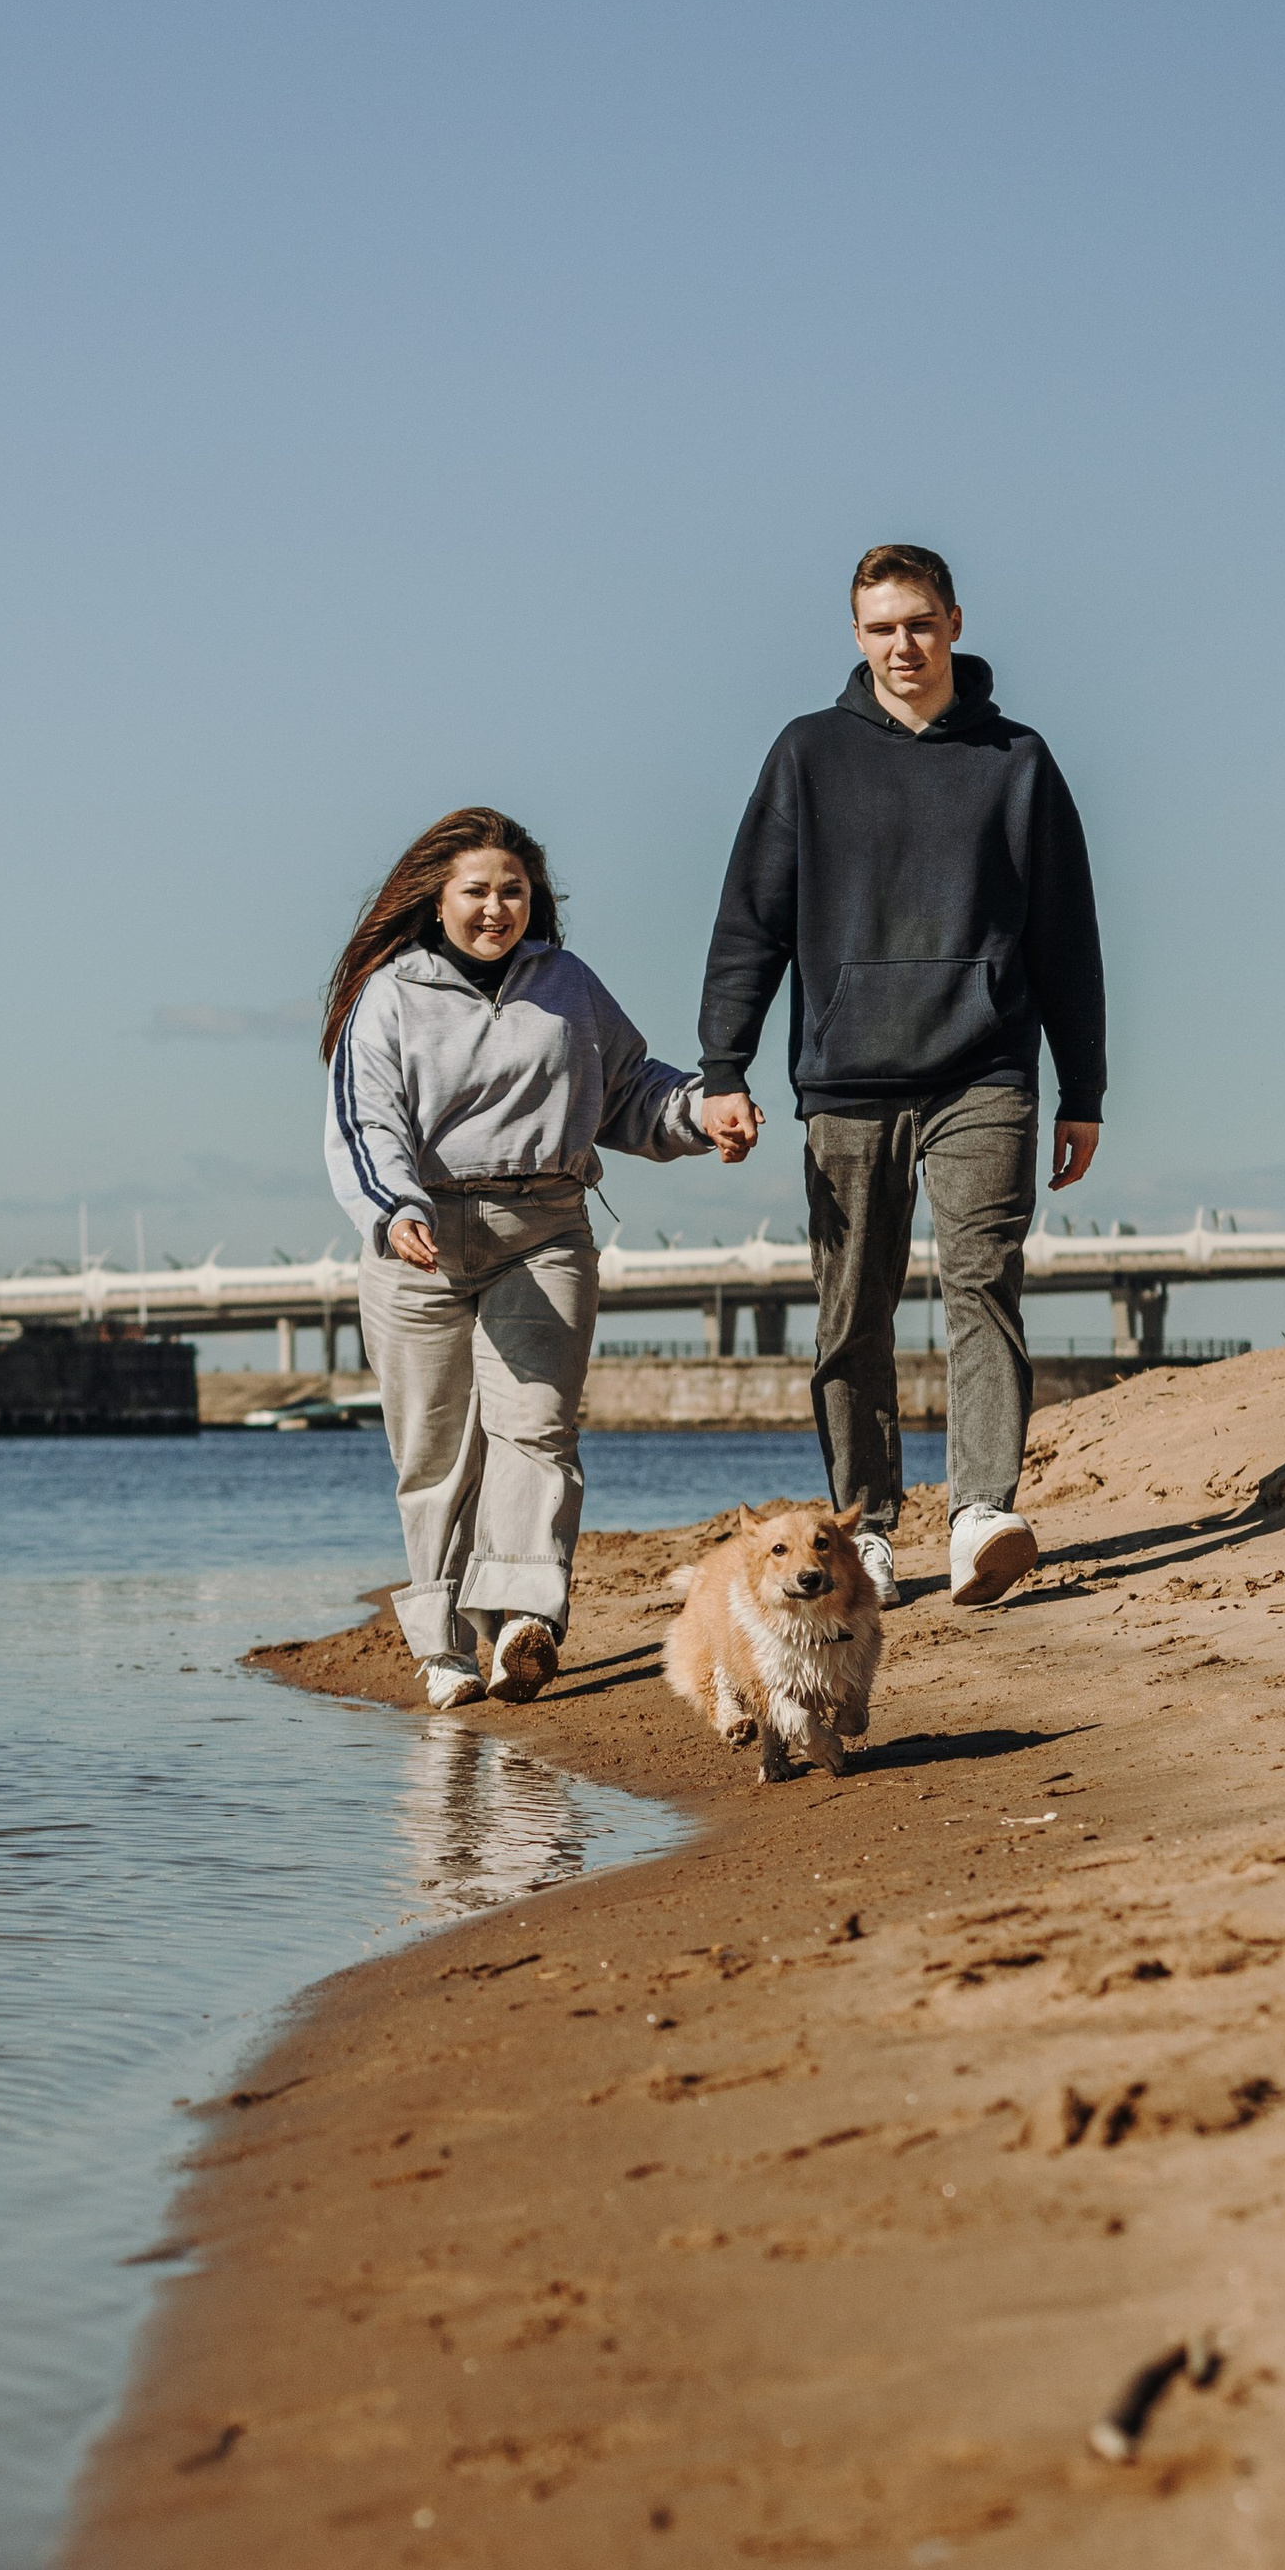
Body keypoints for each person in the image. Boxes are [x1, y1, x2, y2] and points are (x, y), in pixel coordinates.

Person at [696, 543, 1104, 1611]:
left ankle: (981, 1514)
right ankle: (866, 1528)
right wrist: (723, 1065)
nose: (903, 645)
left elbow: (1067, 937)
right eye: (881, 628)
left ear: (954, 623)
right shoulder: (808, 754)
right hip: (846, 1076)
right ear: (857, 635)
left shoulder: (1016, 760)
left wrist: (1085, 1088)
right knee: (852, 1311)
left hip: (986, 1068)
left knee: (983, 1285)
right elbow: (751, 920)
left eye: (919, 623)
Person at [324, 807, 734, 1710]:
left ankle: (521, 1622)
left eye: (513, 891)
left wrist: (703, 1113)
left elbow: (630, 1090)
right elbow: (365, 1123)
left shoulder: (567, 984)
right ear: (436, 901)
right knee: (436, 1456)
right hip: (419, 1242)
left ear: (533, 898)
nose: (496, 908)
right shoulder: (390, 997)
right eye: (476, 891)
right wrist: (394, 1209)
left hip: (543, 1229)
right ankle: (445, 1650)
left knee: (537, 1428)